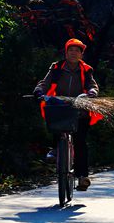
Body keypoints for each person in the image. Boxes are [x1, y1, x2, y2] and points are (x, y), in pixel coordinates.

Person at [33, 38, 100, 191]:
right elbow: (45, 82)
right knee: (54, 121)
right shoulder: (56, 67)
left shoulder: (86, 70)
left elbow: (92, 85)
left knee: (80, 141)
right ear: (66, 52)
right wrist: (39, 91)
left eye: (77, 51)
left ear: (81, 54)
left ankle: (83, 176)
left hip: (79, 106)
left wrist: (92, 92)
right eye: (71, 50)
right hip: (60, 105)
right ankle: (56, 149)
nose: (74, 53)